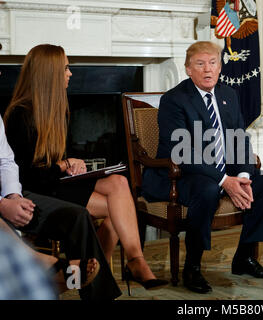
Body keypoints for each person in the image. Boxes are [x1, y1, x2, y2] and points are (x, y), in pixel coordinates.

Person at [4, 44, 168, 293]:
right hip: (37, 189)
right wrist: (62, 165)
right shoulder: (19, 114)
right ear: (49, 72)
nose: (70, 74)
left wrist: (73, 162)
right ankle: (122, 267)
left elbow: (60, 157)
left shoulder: (58, 108)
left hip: (58, 182)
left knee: (119, 183)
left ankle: (132, 261)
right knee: (119, 210)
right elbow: (25, 175)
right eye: (65, 68)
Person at [141, 41, 263, 294]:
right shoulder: (174, 99)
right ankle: (192, 267)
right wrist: (224, 180)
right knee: (207, 189)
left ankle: (245, 258)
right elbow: (182, 151)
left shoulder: (228, 95)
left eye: (213, 63)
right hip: (181, 175)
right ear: (188, 69)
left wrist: (244, 176)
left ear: (220, 67)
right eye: (200, 64)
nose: (207, 69)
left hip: (220, 171)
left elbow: (238, 138)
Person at [0, 111, 117, 299]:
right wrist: (2, 204)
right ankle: (50, 269)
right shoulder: (19, 114)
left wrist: (12, 195)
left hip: (12, 193)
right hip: (9, 200)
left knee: (77, 215)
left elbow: (6, 161)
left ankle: (96, 295)